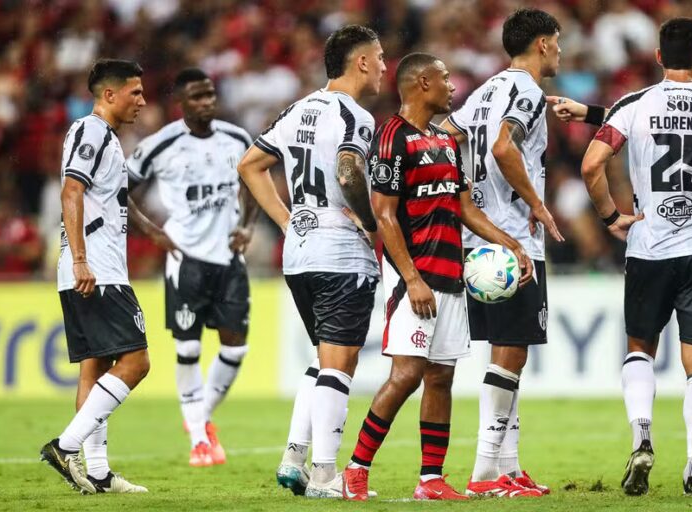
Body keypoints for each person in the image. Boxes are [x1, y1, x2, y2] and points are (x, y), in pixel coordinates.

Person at [341, 52, 533, 502]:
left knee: (441, 377)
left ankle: (431, 479)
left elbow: (465, 207)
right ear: (422, 83)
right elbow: (384, 216)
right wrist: (410, 279)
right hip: (414, 277)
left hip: (451, 276)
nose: (453, 87)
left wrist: (511, 243)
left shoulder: (447, 143)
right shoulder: (392, 137)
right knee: (407, 373)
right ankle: (356, 469)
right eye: (446, 79)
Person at [579, 18, 692, 496]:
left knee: (640, 349)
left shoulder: (635, 105)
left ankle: (643, 436)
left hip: (649, 247)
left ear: (660, 57)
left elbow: (590, 165)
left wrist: (611, 218)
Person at [238, 24, 384, 498]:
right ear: (360, 62)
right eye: (379, 57)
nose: (384, 66)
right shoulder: (355, 115)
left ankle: (293, 460)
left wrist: (286, 221)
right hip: (341, 250)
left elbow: (249, 165)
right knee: (339, 367)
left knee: (323, 363)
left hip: (299, 252)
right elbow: (347, 168)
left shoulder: (298, 108)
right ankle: (325, 475)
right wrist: (368, 222)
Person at [439, 8, 561, 497]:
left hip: (478, 237)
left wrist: (466, 199)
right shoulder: (527, 91)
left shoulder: (485, 90)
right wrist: (538, 205)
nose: (560, 50)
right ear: (542, 45)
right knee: (511, 353)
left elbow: (450, 135)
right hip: (513, 240)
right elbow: (504, 148)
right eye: (557, 41)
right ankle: (485, 471)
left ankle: (508, 467)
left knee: (508, 354)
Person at [126, 68, 256, 467]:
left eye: (210, 95)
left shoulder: (236, 139)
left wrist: (247, 226)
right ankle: (200, 439)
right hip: (187, 259)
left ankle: (199, 417)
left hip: (229, 259)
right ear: (180, 103)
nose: (206, 103)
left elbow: (254, 181)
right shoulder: (160, 144)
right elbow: (120, 189)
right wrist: (152, 231)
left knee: (236, 347)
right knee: (189, 347)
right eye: (197, 97)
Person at [40, 59, 149, 494]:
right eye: (135, 92)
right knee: (137, 362)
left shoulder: (106, 138)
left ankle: (99, 472)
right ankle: (65, 447)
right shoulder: (90, 131)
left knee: (96, 367)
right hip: (95, 269)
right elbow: (72, 189)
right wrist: (83, 259)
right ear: (109, 95)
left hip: (89, 268)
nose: (142, 100)